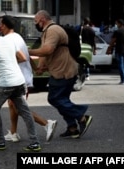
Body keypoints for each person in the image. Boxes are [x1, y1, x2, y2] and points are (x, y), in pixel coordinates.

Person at [0, 15, 57, 142]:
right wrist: (35, 69)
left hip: (15, 79)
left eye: (0, 24)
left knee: (18, 108)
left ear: (4, 25)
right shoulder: (16, 37)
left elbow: (20, 58)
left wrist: (6, 65)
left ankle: (46, 123)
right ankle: (14, 133)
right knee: (14, 106)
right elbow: (25, 56)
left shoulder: (9, 39)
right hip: (20, 77)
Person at [28, 10, 92, 139]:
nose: (36, 24)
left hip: (64, 71)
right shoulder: (48, 31)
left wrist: (27, 51)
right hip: (61, 70)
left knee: (54, 99)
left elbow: (47, 50)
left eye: (36, 21)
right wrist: (40, 67)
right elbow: (47, 52)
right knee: (63, 100)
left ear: (42, 20)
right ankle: (72, 128)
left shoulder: (53, 30)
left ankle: (82, 116)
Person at [107, 19, 124, 85]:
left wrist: (109, 48)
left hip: (119, 49)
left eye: (117, 23)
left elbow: (112, 41)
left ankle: (123, 79)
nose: (116, 25)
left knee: (121, 64)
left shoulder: (117, 31)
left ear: (120, 24)